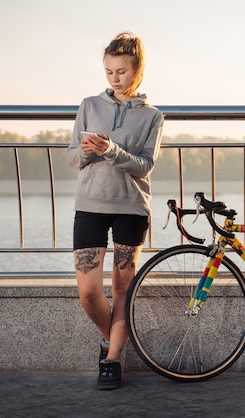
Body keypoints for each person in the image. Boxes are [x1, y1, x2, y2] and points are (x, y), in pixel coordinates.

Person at [66, 32, 164, 390]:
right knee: (89, 292)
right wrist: (89, 149)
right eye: (109, 71)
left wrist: (111, 150)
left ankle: (112, 360)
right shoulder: (89, 105)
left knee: (123, 291)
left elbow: (144, 166)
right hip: (90, 205)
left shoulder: (153, 116)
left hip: (131, 208)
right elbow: (73, 158)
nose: (114, 78)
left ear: (137, 70)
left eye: (121, 71)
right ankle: (114, 337)